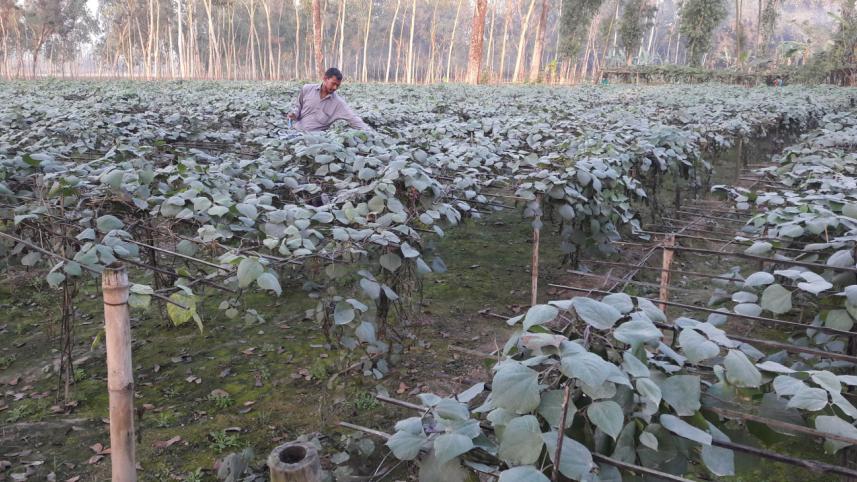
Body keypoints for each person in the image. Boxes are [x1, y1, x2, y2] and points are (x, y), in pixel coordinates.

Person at [287, 67, 370, 132]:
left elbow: (353, 119)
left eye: (338, 85)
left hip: (315, 140)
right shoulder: (307, 89)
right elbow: (298, 107)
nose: (335, 87)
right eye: (333, 83)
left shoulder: (338, 103)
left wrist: (370, 132)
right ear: (325, 78)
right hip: (295, 132)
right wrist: (294, 114)